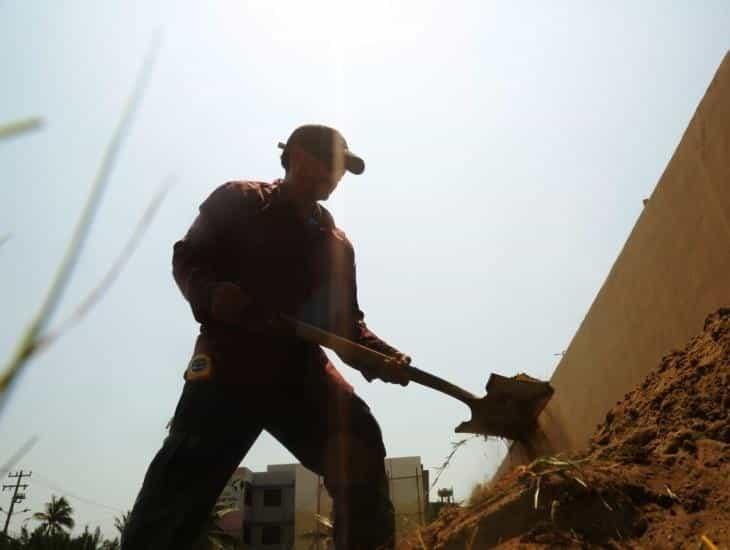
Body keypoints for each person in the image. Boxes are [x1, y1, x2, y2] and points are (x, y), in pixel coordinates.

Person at [122, 124, 412, 550]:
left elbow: (345, 326)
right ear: (294, 155)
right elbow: (188, 257)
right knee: (178, 492)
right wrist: (213, 294)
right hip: (229, 365)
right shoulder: (238, 200)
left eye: (341, 170)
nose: (334, 175)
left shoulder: (335, 245)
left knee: (359, 440)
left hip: (300, 373)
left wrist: (384, 357)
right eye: (328, 162)